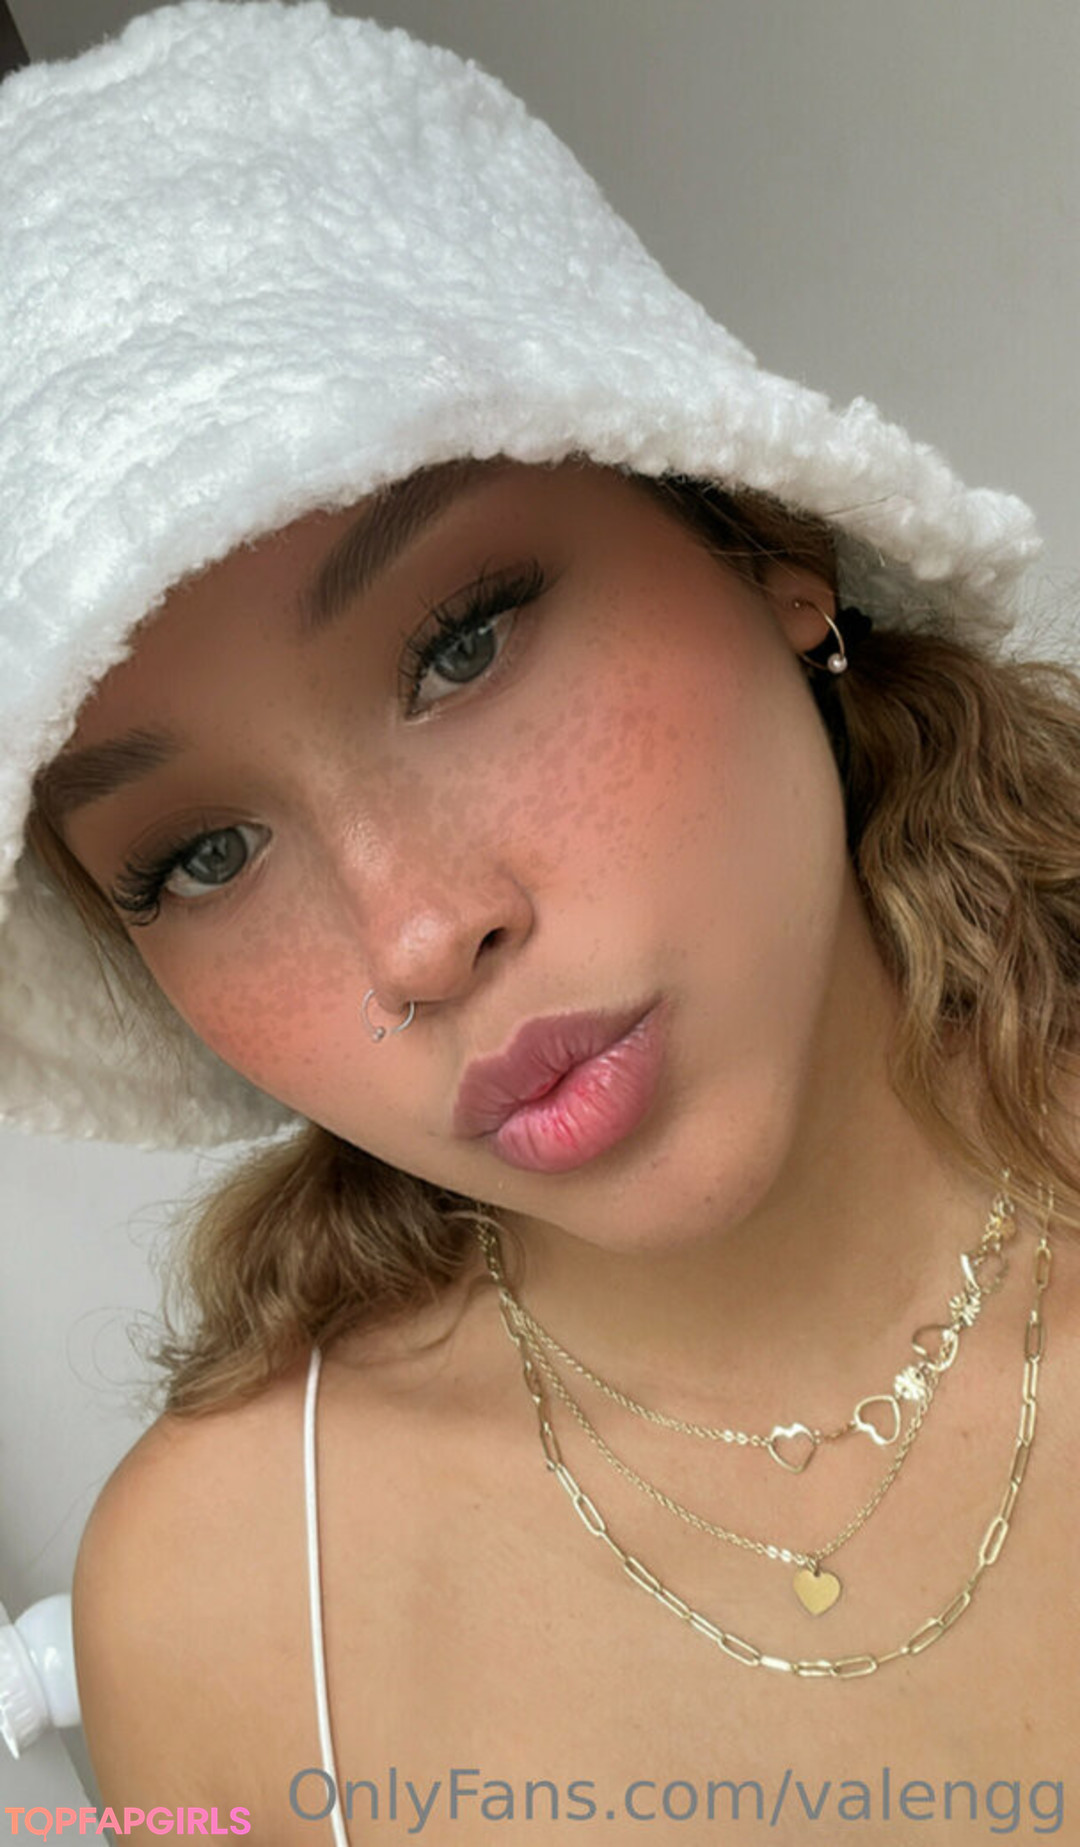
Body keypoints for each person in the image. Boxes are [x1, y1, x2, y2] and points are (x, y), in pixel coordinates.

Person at [2, 2, 1077, 1840]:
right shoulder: (215, 1609)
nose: (418, 937)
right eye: (204, 854)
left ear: (764, 541)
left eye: (464, 644)